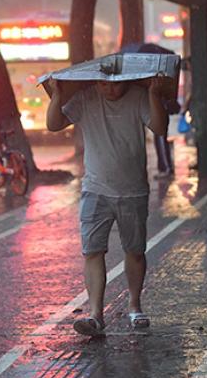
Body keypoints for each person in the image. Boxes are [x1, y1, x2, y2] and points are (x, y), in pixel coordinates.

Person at [46, 76, 168, 336]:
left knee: (134, 250)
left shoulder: (138, 96)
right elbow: (54, 124)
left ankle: (134, 306)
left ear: (125, 80)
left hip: (132, 190)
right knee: (92, 251)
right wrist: (57, 94)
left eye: (114, 84)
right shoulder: (86, 97)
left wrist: (154, 95)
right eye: (103, 84)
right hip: (95, 189)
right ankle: (95, 315)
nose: (108, 89)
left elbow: (159, 127)